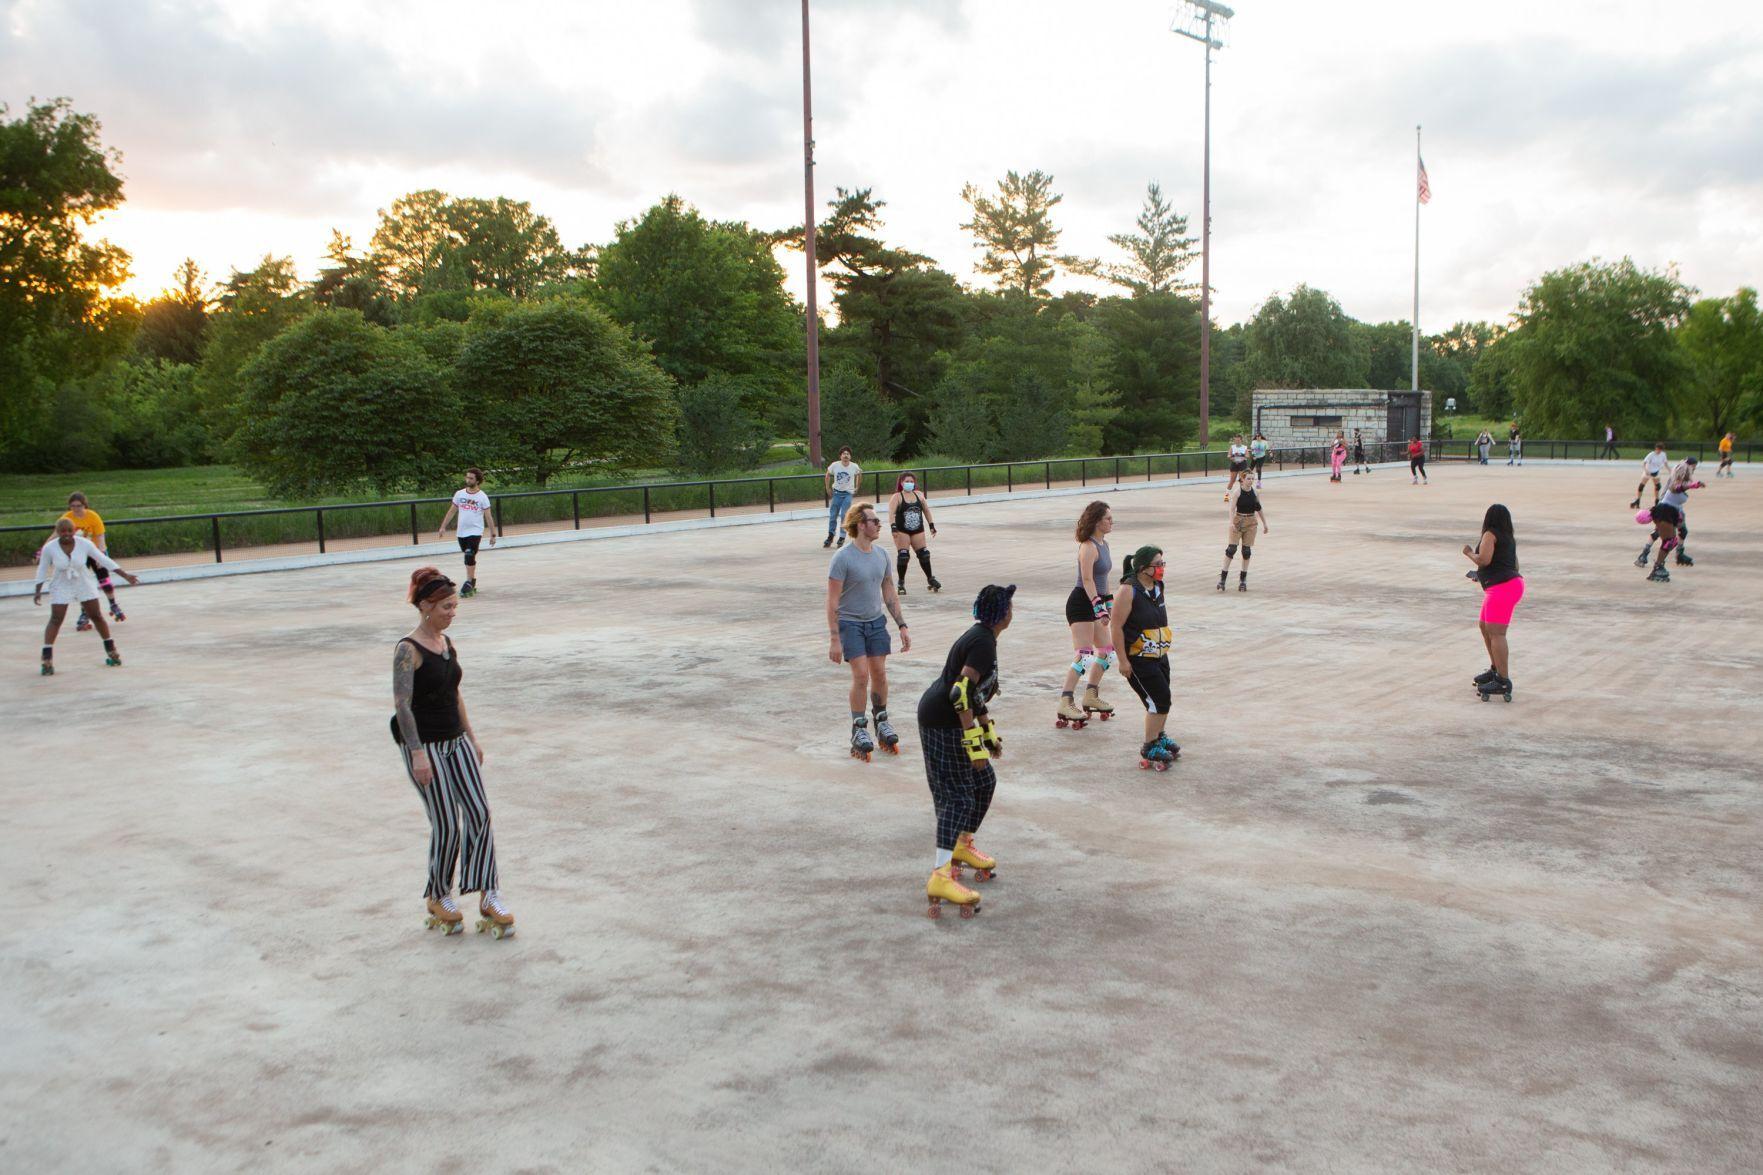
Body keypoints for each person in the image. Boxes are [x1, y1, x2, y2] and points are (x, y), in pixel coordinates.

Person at [391, 567, 514, 938]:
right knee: (446, 823)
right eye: (446, 606)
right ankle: (438, 893)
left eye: (454, 605)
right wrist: (417, 754)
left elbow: (455, 694)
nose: (452, 612)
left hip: (456, 741)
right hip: (424, 746)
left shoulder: (446, 645)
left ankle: (488, 893)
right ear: (426, 606)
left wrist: (472, 738)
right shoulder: (407, 650)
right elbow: (402, 705)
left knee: (479, 812)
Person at [916, 584, 1015, 919]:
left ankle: (962, 844)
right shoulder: (983, 643)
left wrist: (989, 734)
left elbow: (974, 695)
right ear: (1004, 614)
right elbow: (960, 693)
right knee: (957, 798)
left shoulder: (984, 638)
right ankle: (940, 876)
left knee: (984, 782)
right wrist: (974, 743)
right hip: (942, 723)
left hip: (951, 721)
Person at [827, 502, 911, 760]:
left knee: (880, 674)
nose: (879, 525)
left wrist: (902, 625)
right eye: (874, 521)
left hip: (875, 622)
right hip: (850, 624)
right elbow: (832, 601)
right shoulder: (842, 558)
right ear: (860, 525)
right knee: (861, 676)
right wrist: (834, 639)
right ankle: (859, 728)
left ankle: (882, 720)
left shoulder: (883, 555)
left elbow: (889, 592)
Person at [33, 518, 140, 675]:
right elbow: (42, 569)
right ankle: (46, 659)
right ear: (57, 532)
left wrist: (125, 575)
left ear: (74, 530)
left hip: (83, 581)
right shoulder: (50, 548)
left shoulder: (84, 543)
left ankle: (112, 651)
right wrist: (38, 590)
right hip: (61, 582)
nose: (67, 534)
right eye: (63, 531)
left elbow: (103, 559)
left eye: (70, 531)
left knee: (96, 616)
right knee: (56, 619)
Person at [1109, 546, 1178, 770]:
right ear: (1142, 567)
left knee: (1163, 698)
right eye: (1157, 564)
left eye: (1162, 564)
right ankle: (1150, 745)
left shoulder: (1157, 587)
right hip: (1138, 658)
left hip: (1158, 655)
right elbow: (1116, 626)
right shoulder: (1128, 591)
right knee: (1158, 699)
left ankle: (1159, 736)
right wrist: (1123, 660)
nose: (1161, 568)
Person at [1055, 501, 1116, 729]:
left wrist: (1108, 604)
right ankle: (1066, 700)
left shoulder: (1104, 544)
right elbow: (1088, 579)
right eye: (1108, 518)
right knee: (1085, 655)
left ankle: (1090, 695)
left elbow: (1105, 578)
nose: (1112, 522)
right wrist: (1098, 606)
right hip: (1082, 602)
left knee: (1107, 653)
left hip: (1097, 602)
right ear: (1097, 521)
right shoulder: (1087, 546)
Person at [1462, 505, 1523, 702]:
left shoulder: (1490, 534)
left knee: (1496, 633)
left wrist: (1469, 553)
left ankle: (1503, 680)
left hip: (1502, 588)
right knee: (1485, 627)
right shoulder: (1508, 538)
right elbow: (1512, 565)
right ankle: (1496, 669)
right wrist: (1483, 576)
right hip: (1507, 585)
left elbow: (1484, 560)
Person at [59, 493, 126, 631]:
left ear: (85, 505)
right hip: (79, 554)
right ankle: (84, 612)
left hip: (95, 550)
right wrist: (42, 549)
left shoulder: (93, 516)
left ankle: (113, 604)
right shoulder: (66, 518)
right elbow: (56, 535)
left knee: (104, 579)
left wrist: (100, 557)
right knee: (82, 583)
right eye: (72, 506)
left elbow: (100, 537)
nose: (76, 509)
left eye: (79, 506)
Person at [1635, 458, 1703, 581]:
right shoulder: (1676, 483)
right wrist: (1694, 485)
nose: (1692, 472)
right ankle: (1656, 567)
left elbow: (1680, 493)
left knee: (1672, 540)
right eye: (1691, 469)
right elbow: (1675, 488)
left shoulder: (1683, 484)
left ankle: (1659, 565)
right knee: (1669, 541)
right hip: (1664, 512)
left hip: (1671, 512)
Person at [436, 468, 496, 598]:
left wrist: (493, 534)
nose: (468, 480)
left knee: (469, 554)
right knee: (468, 556)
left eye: (471, 478)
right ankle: (472, 580)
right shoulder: (459, 494)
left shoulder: (482, 497)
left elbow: (488, 516)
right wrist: (443, 526)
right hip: (461, 532)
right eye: (467, 477)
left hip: (475, 531)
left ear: (478, 481)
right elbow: (452, 511)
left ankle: (468, 581)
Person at [887, 472, 940, 594]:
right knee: (904, 556)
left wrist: (931, 525)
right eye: (907, 481)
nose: (909, 483)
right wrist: (893, 527)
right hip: (902, 530)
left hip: (918, 530)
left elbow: (926, 510)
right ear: (901, 483)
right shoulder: (897, 496)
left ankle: (930, 578)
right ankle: (901, 582)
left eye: (911, 481)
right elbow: (891, 514)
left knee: (924, 554)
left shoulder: (919, 495)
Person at [1217, 478, 1269, 592]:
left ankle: (1243, 580)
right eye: (1248, 479)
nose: (1251, 481)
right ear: (1243, 480)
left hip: (1251, 522)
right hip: (1238, 521)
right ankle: (1222, 579)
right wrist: (1231, 523)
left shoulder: (1255, 492)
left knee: (1246, 551)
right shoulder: (1237, 492)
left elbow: (1259, 508)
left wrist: (1265, 524)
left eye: (1252, 478)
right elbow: (1231, 509)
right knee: (1231, 549)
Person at [823, 446, 861, 549]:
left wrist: (857, 486)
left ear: (850, 456)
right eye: (844, 454)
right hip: (836, 494)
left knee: (844, 515)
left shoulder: (854, 466)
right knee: (833, 516)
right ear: (840, 456)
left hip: (848, 494)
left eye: (848, 454)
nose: (846, 455)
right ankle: (830, 535)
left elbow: (859, 474)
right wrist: (827, 488)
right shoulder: (835, 465)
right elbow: (827, 475)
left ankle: (842, 537)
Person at [1630, 443, 1671, 508]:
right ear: (1656, 448)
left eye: (1660, 450)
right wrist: (1646, 470)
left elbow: (1665, 463)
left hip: (1656, 472)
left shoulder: (1663, 455)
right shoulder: (1651, 454)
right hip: (1648, 472)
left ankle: (1657, 501)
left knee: (1658, 487)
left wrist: (1670, 470)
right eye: (1657, 449)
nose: (1658, 451)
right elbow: (1644, 463)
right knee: (1641, 486)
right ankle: (1637, 500)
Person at [1225, 434, 1250, 499]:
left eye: (1238, 440)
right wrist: (1232, 458)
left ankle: (1242, 496)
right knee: (1232, 480)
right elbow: (1228, 455)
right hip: (1234, 464)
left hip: (1242, 464)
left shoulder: (1245, 447)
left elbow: (1247, 455)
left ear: (1241, 440)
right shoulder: (1232, 447)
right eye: (1235, 440)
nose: (1237, 441)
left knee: (1241, 480)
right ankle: (1226, 495)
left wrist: (1243, 458)